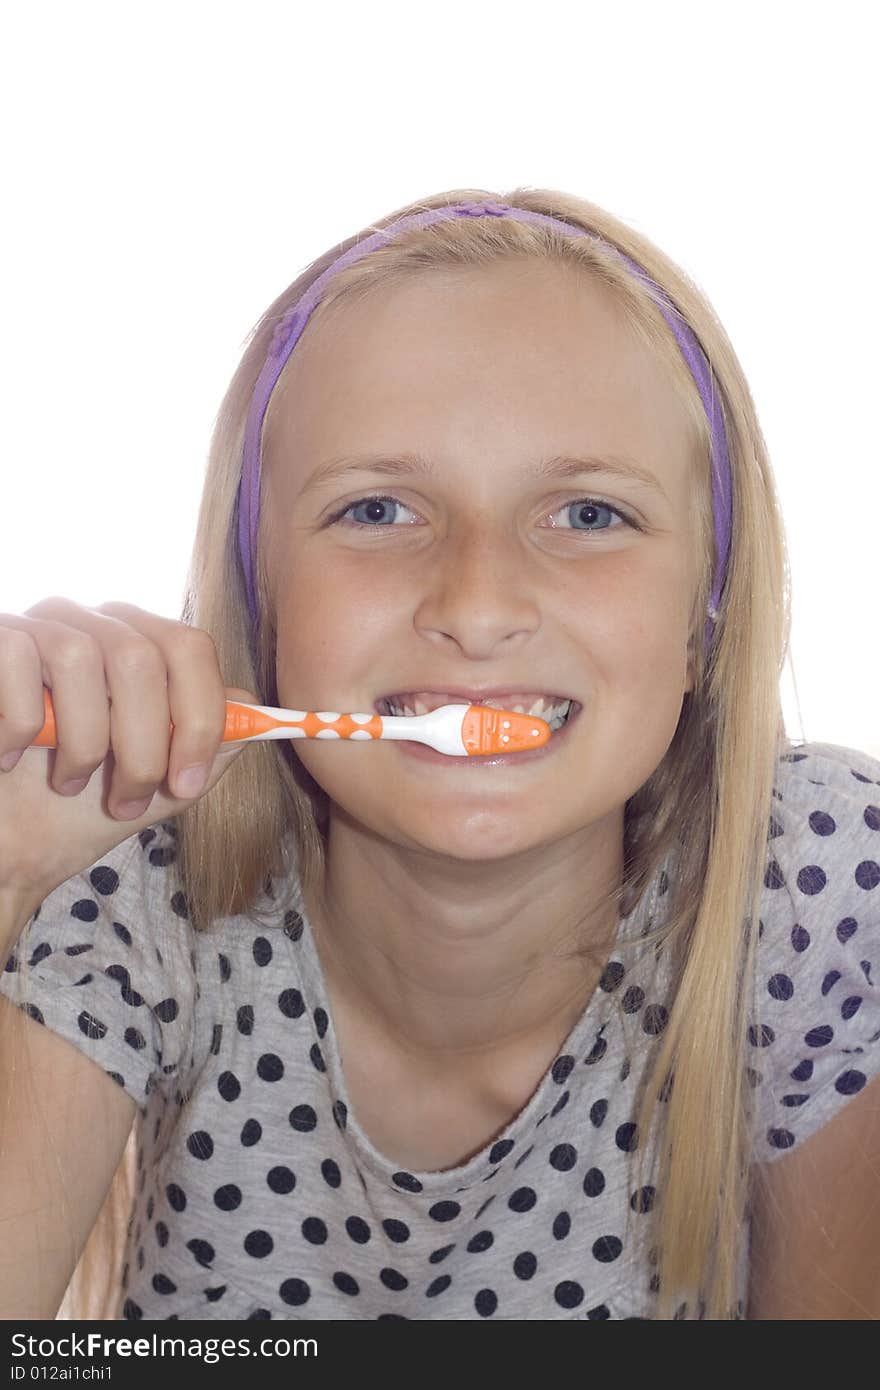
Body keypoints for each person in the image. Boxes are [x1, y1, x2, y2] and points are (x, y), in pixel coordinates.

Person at [0, 188, 877, 1322]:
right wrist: (10, 869)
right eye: (375, 510)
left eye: (588, 514)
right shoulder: (131, 882)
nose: (475, 602)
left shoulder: (815, 893)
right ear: (262, 605)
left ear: (703, 615)